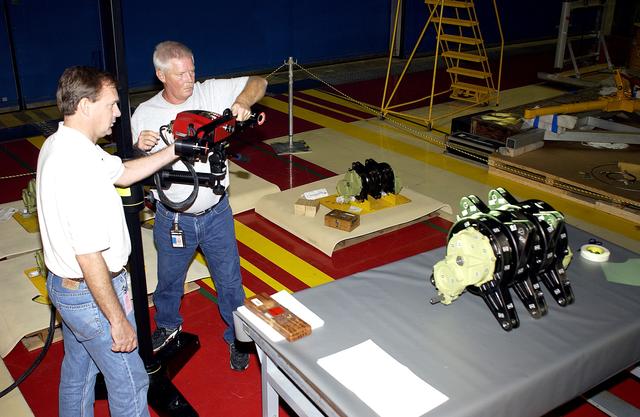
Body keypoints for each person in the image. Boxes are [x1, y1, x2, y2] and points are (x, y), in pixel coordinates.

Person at [37, 66, 178, 417]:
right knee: (130, 382)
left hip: (67, 289)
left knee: (79, 372)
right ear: (85, 105)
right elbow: (89, 256)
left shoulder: (65, 143)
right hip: (92, 293)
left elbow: (124, 172)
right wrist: (117, 319)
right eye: (112, 105)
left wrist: (178, 149)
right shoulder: (77, 166)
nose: (118, 114)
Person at [131, 41, 267, 371]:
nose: (191, 79)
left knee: (230, 281)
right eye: (181, 74)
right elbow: (132, 167)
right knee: (168, 280)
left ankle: (239, 336)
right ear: (161, 75)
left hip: (216, 213)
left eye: (192, 70)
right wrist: (138, 147)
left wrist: (241, 102)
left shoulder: (209, 93)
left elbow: (259, 82)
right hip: (172, 218)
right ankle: (168, 325)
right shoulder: (145, 115)